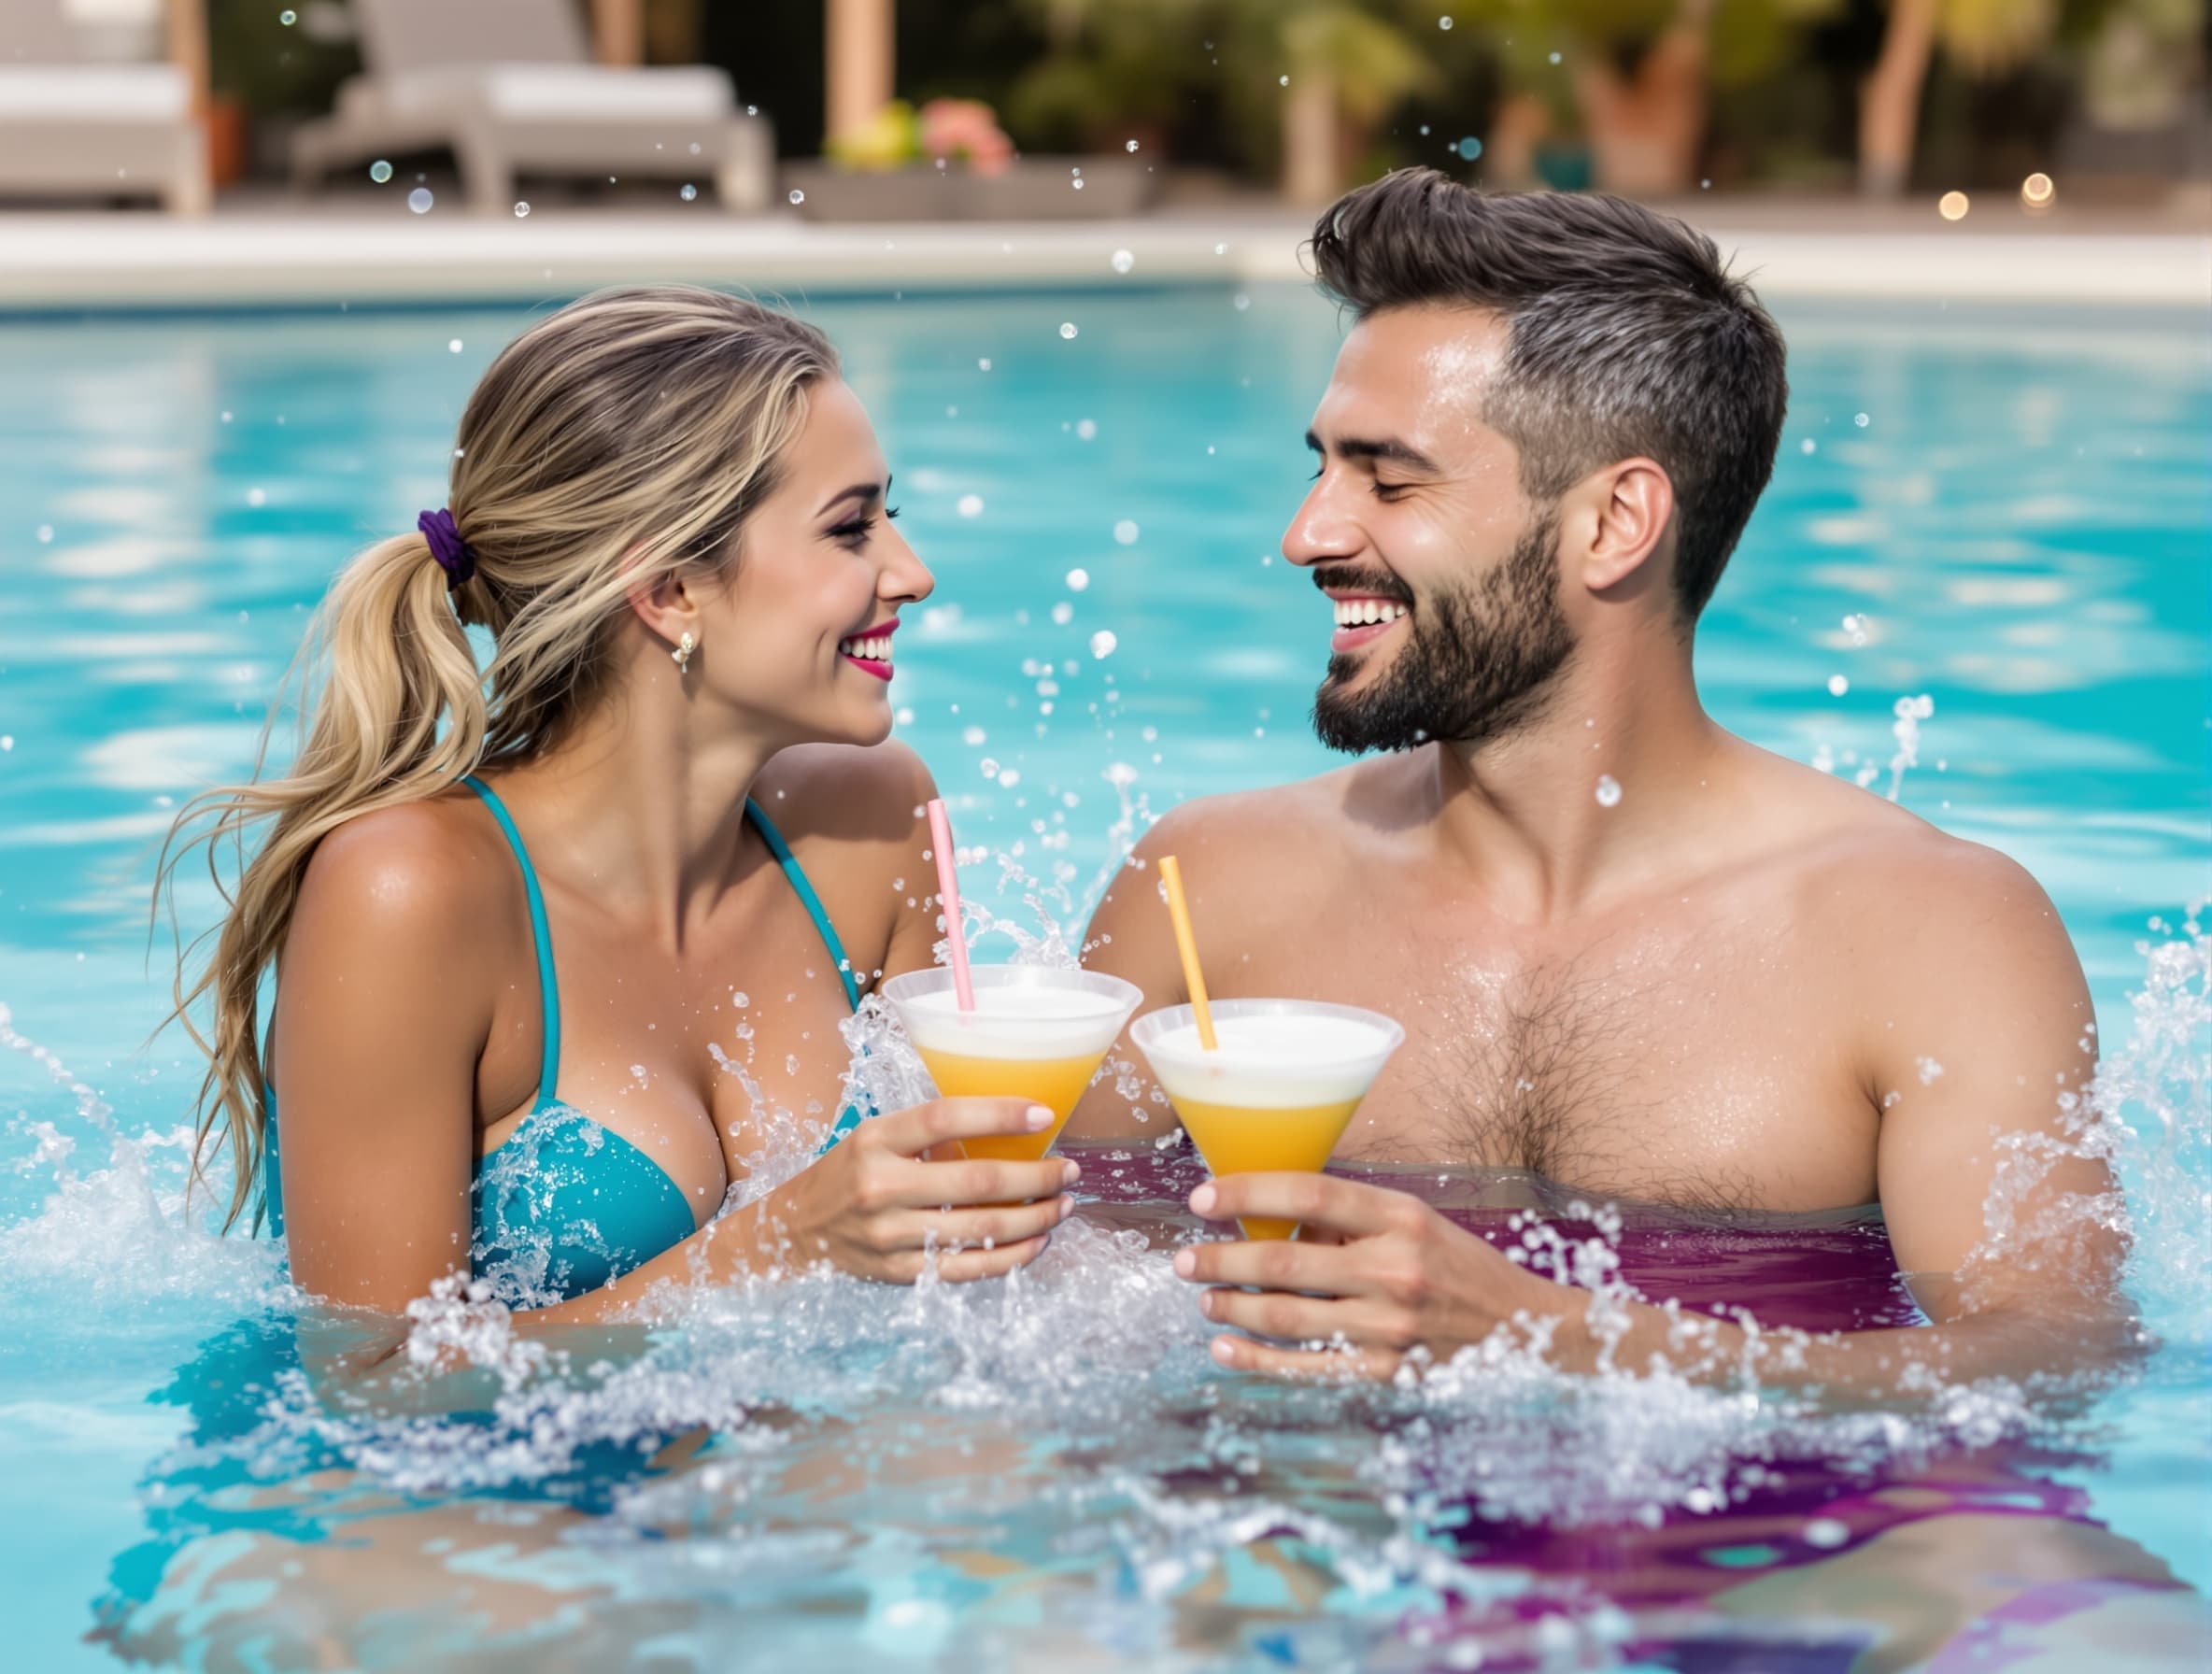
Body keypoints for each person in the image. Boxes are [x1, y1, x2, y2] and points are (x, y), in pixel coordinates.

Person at [1070, 170, 2124, 1384]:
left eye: (1388, 478)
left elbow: (2054, 1361)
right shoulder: (1208, 887)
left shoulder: (1926, 934)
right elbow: (1060, 1320)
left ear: (1617, 523)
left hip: (1753, 1566)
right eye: (1322, 467)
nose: (1307, 532)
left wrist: (1560, 1340)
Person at [160, 285, 1079, 1323]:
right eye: (851, 528)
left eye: (889, 518)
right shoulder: (412, 892)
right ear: (672, 589)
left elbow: (958, 1299)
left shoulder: (870, 821)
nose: (912, 573)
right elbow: (371, 1388)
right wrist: (771, 1249)